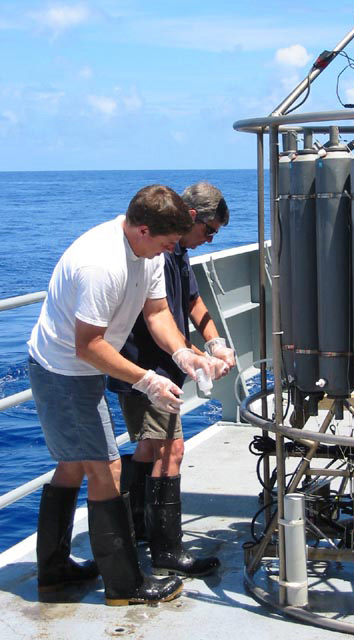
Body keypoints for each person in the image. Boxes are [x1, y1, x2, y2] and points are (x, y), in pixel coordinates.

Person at [28, 184, 213, 607]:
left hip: (83, 366)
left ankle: (53, 573)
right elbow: (87, 345)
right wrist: (147, 381)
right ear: (144, 230)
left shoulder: (146, 251)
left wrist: (182, 352)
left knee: (74, 465)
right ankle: (124, 585)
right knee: (107, 469)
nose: (170, 251)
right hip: (64, 370)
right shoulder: (101, 264)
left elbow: (158, 312)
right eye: (166, 243)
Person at [107, 182, 235, 578]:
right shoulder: (159, 252)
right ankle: (167, 549)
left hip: (164, 368)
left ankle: (141, 530)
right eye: (208, 231)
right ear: (191, 218)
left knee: (149, 450)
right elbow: (155, 319)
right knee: (170, 452)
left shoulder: (176, 250)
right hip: (146, 370)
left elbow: (193, 301)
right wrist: (191, 355)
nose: (209, 239)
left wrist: (214, 342)